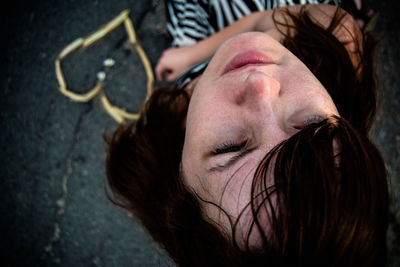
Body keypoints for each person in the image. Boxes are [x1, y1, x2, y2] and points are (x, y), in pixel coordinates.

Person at [105, 1, 389, 266]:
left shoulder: (160, 150)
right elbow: (257, 24)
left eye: (230, 146)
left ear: (180, 180)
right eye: (311, 127)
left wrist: (188, 81)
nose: (259, 84)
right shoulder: (333, 35)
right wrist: (191, 55)